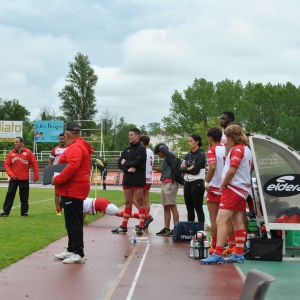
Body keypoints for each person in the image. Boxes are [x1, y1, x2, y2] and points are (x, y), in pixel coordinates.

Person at [200, 125, 252, 264]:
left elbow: (232, 169)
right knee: (237, 220)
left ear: (231, 137)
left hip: (233, 188)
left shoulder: (237, 149)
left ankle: (217, 253)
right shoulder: (246, 149)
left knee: (220, 220)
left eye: (226, 138)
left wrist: (223, 183)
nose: (225, 141)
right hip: (242, 189)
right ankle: (239, 253)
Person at [52, 121, 94, 264]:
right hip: (72, 187)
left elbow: (72, 167)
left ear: (67, 134)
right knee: (70, 221)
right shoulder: (77, 146)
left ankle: (78, 252)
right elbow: (67, 164)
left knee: (74, 222)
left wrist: (57, 179)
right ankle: (71, 249)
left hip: (73, 188)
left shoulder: (76, 147)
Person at [111, 128, 146, 235]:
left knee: (140, 201)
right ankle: (124, 226)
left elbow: (137, 162)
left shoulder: (141, 149)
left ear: (137, 136)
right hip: (127, 179)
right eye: (129, 135)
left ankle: (141, 226)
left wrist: (126, 163)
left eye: (131, 135)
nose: (129, 136)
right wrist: (128, 168)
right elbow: (119, 164)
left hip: (137, 179)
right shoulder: (126, 149)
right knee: (128, 202)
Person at [0, 137, 39, 217]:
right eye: (14, 142)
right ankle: (6, 211)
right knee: (10, 194)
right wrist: (11, 174)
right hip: (13, 179)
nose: (15, 143)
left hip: (24, 179)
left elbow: (34, 163)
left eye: (17, 142)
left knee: (24, 196)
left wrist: (36, 175)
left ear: (21, 143)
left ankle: (24, 212)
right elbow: (6, 165)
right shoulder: (11, 153)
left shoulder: (28, 152)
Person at [205, 127, 226, 254]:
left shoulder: (212, 150)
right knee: (226, 219)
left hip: (214, 187)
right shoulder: (227, 149)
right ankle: (228, 244)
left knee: (214, 218)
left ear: (210, 138)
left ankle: (214, 245)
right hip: (225, 186)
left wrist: (206, 182)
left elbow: (212, 167)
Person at [153, 143, 179, 236]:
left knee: (172, 207)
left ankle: (176, 228)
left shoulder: (170, 155)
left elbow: (162, 147)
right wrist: (161, 170)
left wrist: (161, 146)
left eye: (158, 153)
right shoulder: (167, 158)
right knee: (166, 207)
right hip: (165, 182)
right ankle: (167, 228)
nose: (159, 156)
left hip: (170, 183)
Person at [180, 134, 206, 223]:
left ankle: (200, 231)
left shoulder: (201, 154)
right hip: (187, 183)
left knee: (198, 208)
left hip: (197, 183)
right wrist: (188, 168)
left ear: (197, 142)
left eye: (191, 141)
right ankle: (190, 230)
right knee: (189, 208)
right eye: (189, 141)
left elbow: (195, 171)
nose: (189, 143)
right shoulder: (188, 154)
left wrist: (185, 167)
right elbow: (180, 169)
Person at [133, 135, 154, 229]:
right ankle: (145, 221)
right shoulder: (151, 152)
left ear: (141, 142)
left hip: (142, 177)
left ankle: (146, 217)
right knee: (146, 200)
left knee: (135, 199)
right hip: (149, 177)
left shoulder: (143, 151)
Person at [82, 197, 152, 223]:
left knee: (121, 213)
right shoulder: (76, 200)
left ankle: (146, 217)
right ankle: (145, 217)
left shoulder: (75, 203)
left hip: (99, 204)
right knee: (121, 213)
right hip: (99, 201)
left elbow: (83, 212)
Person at [48, 133, 67, 215]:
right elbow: (50, 161)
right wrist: (49, 172)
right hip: (57, 173)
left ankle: (64, 206)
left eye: (62, 139)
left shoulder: (69, 148)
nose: (61, 140)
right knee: (57, 192)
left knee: (66, 191)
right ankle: (58, 210)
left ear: (66, 139)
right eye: (60, 139)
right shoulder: (55, 150)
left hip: (66, 172)